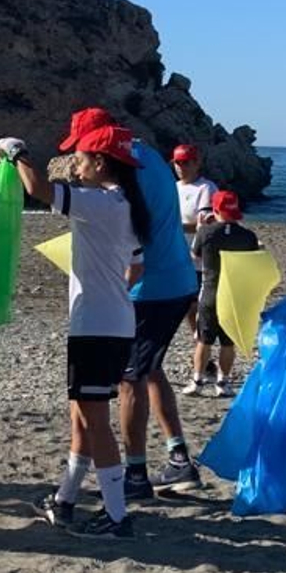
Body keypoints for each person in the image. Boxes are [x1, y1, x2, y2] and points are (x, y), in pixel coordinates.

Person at [0, 118, 148, 539]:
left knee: (95, 421)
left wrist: (16, 153)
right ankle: (65, 499)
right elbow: (136, 263)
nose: (75, 166)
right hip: (112, 322)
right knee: (83, 416)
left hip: (96, 327)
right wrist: (112, 288)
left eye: (80, 159)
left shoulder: (100, 204)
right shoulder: (127, 206)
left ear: (100, 163)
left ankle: (117, 516)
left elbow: (39, 189)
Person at [58, 108, 200, 499]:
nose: (77, 158)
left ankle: (135, 474)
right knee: (150, 369)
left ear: (99, 147)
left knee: (129, 379)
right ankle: (178, 458)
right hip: (177, 278)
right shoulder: (149, 155)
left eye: (81, 150)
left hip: (149, 287)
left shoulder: (122, 172)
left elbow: (118, 222)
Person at [186, 190, 261, 397]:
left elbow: (195, 255)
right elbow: (254, 261)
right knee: (228, 342)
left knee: (204, 339)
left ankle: (198, 381)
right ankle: (223, 383)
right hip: (234, 294)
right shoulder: (248, 236)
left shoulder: (206, 233)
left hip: (211, 291)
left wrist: (202, 227)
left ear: (215, 209)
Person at [172, 143, 219, 365]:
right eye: (178, 163)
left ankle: (204, 352)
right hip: (176, 257)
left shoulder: (206, 188)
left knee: (197, 307)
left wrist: (172, 226)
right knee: (188, 309)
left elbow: (205, 226)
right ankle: (201, 350)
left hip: (199, 259)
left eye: (186, 162)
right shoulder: (172, 187)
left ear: (196, 163)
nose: (181, 167)